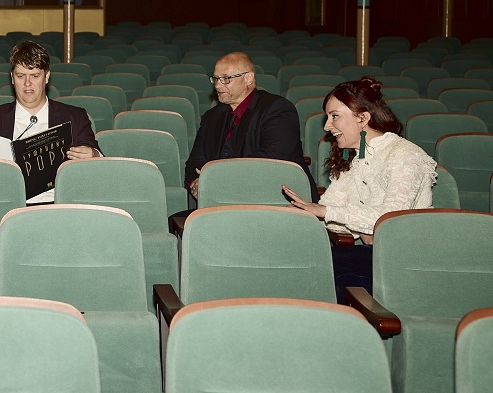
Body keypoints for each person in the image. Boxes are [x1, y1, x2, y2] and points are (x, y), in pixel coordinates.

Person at [284, 77, 436, 302]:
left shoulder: (404, 155)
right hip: (374, 256)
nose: (326, 126)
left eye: (334, 116)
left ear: (363, 118)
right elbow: (332, 208)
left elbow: (390, 219)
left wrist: (324, 212)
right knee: (297, 258)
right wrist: (300, 216)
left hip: (404, 264)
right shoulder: (358, 156)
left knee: (318, 269)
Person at [0, 40, 102, 203]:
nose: (27, 83)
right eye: (20, 76)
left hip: (59, 204)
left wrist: (93, 155)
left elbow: (98, 158)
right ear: (12, 78)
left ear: (47, 76)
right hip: (7, 204)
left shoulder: (74, 116)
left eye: (35, 76)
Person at [184, 51, 318, 206]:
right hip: (222, 202)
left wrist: (214, 179)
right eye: (215, 79)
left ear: (248, 78)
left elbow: (271, 158)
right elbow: (195, 161)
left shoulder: (277, 109)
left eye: (226, 79)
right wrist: (196, 184)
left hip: (273, 201)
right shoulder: (212, 117)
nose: (217, 85)